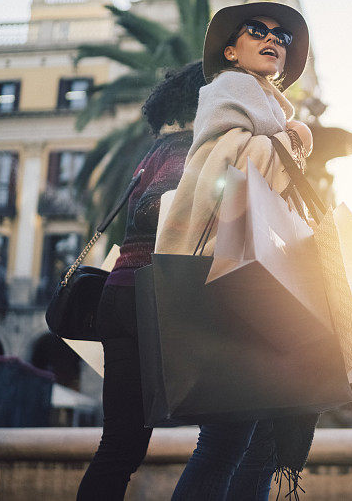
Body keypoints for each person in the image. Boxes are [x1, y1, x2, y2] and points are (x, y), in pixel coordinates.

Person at [155, 2, 315, 501]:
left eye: (281, 37)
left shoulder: (268, 109)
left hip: (257, 282)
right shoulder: (230, 91)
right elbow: (228, 168)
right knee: (228, 439)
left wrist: (288, 138)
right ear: (231, 50)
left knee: (256, 437)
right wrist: (288, 141)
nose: (273, 39)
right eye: (257, 31)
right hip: (229, 280)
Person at [76, 60, 205, 500]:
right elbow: (154, 206)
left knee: (120, 446)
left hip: (123, 292)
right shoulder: (187, 147)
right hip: (146, 296)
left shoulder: (159, 148)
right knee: (125, 448)